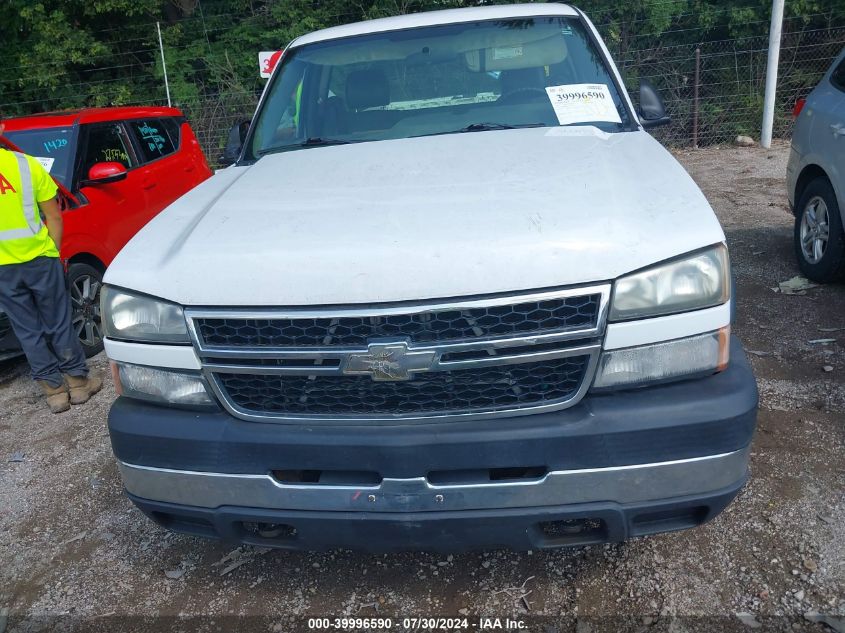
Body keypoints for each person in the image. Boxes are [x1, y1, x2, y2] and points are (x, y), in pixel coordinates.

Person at [0, 116, 102, 413]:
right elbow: (54, 216)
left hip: (3, 269)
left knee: (26, 329)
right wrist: (53, 254)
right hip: (40, 258)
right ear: (2, 128)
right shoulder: (26, 165)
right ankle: (79, 385)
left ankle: (54, 392)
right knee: (58, 321)